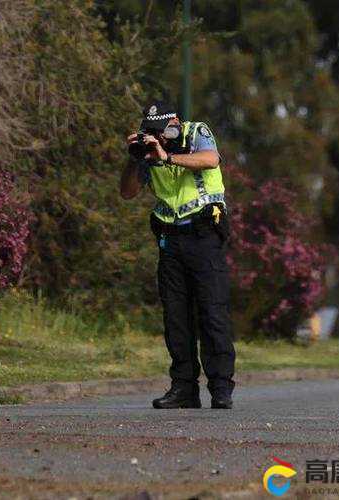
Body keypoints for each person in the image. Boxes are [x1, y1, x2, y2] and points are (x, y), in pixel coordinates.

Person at [119, 101, 236, 409]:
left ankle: (221, 387)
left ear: (175, 123)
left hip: (204, 235)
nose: (161, 137)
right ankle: (184, 387)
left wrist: (167, 156)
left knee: (212, 312)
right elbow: (128, 192)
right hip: (170, 240)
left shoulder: (196, 132)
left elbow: (211, 160)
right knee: (176, 318)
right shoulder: (149, 149)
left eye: (164, 131)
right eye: (154, 132)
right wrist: (135, 159)